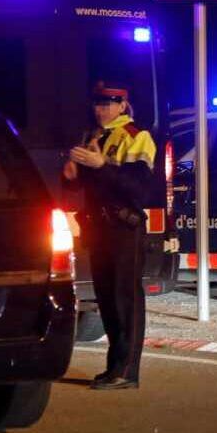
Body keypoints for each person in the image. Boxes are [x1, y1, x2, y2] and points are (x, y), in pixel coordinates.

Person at [63, 81, 157, 390]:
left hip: (124, 227)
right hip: (99, 228)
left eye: (106, 104)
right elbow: (87, 187)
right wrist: (72, 177)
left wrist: (102, 165)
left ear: (122, 106)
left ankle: (127, 371)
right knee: (106, 299)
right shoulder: (94, 136)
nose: (99, 109)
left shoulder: (136, 136)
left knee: (125, 299)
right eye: (96, 104)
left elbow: (139, 189)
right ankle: (114, 367)